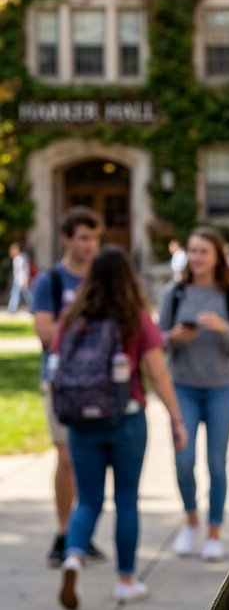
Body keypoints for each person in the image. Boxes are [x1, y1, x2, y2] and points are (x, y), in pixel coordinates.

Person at [54, 246, 188, 610]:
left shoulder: (71, 317)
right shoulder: (136, 318)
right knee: (126, 499)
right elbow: (158, 374)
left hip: (83, 420)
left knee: (89, 499)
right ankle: (125, 580)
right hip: (126, 418)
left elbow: (56, 366)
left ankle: (73, 557)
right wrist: (177, 419)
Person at [159, 226, 229, 561]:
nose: (197, 257)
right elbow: (155, 342)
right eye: (193, 251)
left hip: (221, 390)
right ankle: (190, 520)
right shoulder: (175, 293)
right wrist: (173, 337)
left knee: (216, 463)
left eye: (203, 251)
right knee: (183, 461)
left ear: (217, 257)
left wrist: (222, 327)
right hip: (182, 387)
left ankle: (214, 532)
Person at [32, 207, 107, 567]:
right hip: (61, 381)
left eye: (95, 238)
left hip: (100, 384)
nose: (90, 245)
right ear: (66, 238)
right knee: (66, 458)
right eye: (83, 237)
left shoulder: (104, 280)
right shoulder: (52, 281)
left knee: (92, 461)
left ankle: (82, 534)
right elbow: (45, 333)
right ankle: (64, 533)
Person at [7, 242, 32, 313]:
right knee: (15, 293)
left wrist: (25, 280)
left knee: (27, 295)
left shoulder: (21, 258)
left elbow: (24, 270)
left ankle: (33, 306)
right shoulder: (16, 259)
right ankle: (12, 308)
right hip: (17, 280)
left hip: (22, 280)